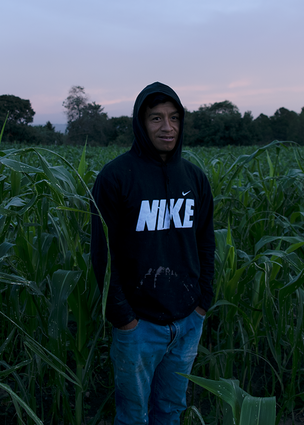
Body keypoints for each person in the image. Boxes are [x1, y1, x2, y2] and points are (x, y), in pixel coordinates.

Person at [91, 82, 216, 425]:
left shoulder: (194, 178)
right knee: (134, 416)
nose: (167, 127)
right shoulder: (116, 177)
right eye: (156, 118)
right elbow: (102, 254)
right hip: (139, 326)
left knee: (171, 411)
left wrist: (202, 302)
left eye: (174, 117)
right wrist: (125, 319)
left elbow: (205, 243)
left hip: (187, 321)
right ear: (140, 123)